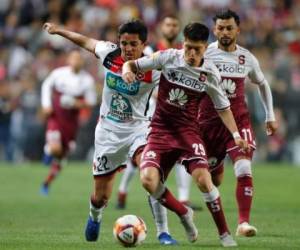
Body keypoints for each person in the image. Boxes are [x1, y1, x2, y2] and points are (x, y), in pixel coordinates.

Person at [43, 19, 178, 245]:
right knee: (101, 196)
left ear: (144, 44)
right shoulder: (109, 53)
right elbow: (85, 41)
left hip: (139, 130)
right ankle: (95, 216)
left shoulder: (153, 66)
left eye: (133, 44)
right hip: (108, 133)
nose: (127, 48)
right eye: (124, 43)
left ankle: (163, 232)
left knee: (150, 175)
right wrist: (58, 31)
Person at [122, 22, 249, 247]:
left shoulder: (210, 73)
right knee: (148, 180)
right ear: (183, 43)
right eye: (188, 47)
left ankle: (225, 234)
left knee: (204, 180)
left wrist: (236, 134)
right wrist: (126, 71)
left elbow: (223, 108)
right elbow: (132, 64)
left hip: (188, 133)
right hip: (159, 130)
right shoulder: (168, 57)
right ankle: (184, 214)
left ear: (205, 48)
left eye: (197, 49)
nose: (191, 53)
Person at [199, 9, 278, 237]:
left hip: (239, 121)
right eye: (220, 28)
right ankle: (218, 164)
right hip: (209, 124)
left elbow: (263, 84)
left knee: (244, 167)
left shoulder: (247, 58)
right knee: (214, 179)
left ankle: (243, 223)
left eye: (229, 28)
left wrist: (269, 115)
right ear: (214, 30)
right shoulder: (205, 54)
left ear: (238, 30)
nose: (224, 32)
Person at [117, 14, 197, 210]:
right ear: (162, 27)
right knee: (140, 157)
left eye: (175, 25)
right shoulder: (150, 51)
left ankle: (184, 198)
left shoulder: (182, 52)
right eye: (168, 24)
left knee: (180, 153)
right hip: (151, 109)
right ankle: (122, 191)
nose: (171, 28)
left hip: (174, 110)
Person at [40, 50, 97, 195]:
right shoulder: (59, 73)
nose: (76, 61)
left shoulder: (87, 80)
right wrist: (46, 104)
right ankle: (49, 150)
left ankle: (47, 182)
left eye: (79, 59)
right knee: (55, 148)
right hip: (56, 116)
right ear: (69, 60)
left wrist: (75, 103)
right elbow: (46, 86)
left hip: (71, 122)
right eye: (73, 58)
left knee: (61, 158)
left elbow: (91, 102)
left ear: (82, 62)